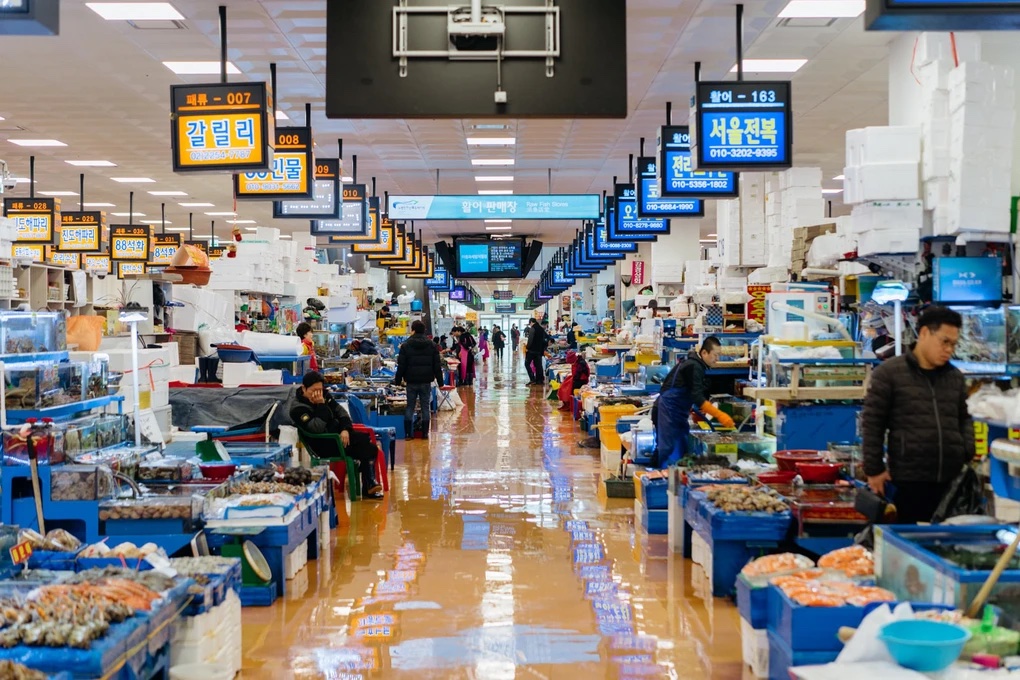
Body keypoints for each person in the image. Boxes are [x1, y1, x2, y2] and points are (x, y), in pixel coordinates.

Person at [862, 306, 975, 524]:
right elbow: (873, 423)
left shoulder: (955, 378)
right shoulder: (890, 373)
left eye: (953, 344)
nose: (949, 349)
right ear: (924, 333)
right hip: (908, 480)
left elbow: (964, 418)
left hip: (951, 481)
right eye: (944, 341)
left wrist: (967, 450)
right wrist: (874, 470)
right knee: (910, 548)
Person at [291, 372, 383, 499]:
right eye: (314, 390)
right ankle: (369, 483)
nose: (318, 394)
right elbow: (316, 428)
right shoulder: (298, 408)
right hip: (323, 443)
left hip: (338, 436)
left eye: (320, 390)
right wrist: (321, 405)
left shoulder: (326, 396)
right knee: (368, 446)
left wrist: (345, 429)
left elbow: (342, 413)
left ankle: (369, 484)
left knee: (367, 444)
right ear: (303, 388)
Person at [653, 336, 734, 468]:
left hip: (678, 411)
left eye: (719, 355)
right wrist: (719, 415)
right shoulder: (694, 366)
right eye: (715, 355)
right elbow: (697, 397)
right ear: (704, 353)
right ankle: (661, 480)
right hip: (669, 409)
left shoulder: (695, 364)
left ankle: (678, 478)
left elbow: (691, 392)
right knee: (668, 448)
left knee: (681, 445)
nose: (717, 359)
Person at [394, 320, 444, 440]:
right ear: (424, 330)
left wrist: (397, 380)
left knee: (410, 406)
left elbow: (401, 365)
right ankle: (425, 434)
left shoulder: (405, 345)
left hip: (411, 381)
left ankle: (408, 434)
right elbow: (437, 365)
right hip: (426, 381)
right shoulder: (431, 345)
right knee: (425, 407)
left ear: (413, 330)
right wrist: (440, 382)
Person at [525, 318, 548, 386]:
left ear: (531, 322)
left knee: (527, 364)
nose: (530, 325)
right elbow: (544, 340)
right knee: (538, 365)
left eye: (530, 323)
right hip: (539, 351)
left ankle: (532, 379)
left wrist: (527, 347)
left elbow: (530, 340)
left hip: (532, 351)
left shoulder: (533, 328)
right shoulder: (541, 329)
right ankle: (539, 380)